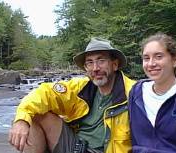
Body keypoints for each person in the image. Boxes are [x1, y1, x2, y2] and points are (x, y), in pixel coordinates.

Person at [8, 37, 136, 153]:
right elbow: (44, 93)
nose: (95, 68)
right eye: (90, 62)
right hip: (76, 146)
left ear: (114, 64)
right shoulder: (80, 88)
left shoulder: (134, 94)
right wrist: (21, 120)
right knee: (34, 114)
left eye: (101, 60)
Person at [128, 33, 176, 153]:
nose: (151, 63)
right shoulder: (136, 92)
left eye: (158, 56)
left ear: (175, 60)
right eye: (146, 58)